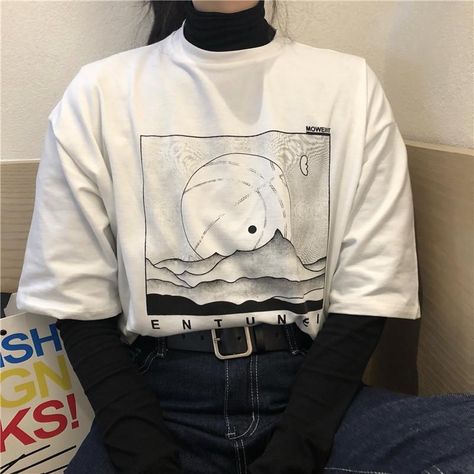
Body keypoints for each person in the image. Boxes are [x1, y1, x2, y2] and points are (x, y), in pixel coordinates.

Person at [15, 1, 474, 473]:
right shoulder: (98, 93)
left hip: (314, 401)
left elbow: (370, 294)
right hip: (155, 406)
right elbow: (79, 303)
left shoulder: (349, 86)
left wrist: (295, 452)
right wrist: (147, 459)